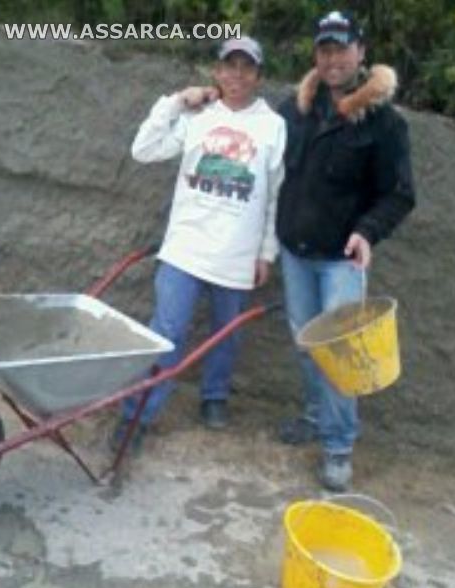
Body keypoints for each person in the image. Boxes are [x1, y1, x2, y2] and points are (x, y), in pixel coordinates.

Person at [110, 36, 286, 451]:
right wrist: (174, 103)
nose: (238, 75)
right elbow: (143, 150)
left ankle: (214, 397)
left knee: (226, 334)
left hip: (238, 254)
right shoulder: (198, 116)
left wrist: (266, 251)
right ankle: (137, 415)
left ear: (258, 76)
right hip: (184, 249)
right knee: (166, 333)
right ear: (217, 72)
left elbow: (276, 194)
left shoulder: (273, 127)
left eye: (247, 67)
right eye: (230, 66)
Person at [275, 11, 415, 490]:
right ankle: (315, 417)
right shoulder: (297, 107)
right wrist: (204, 97)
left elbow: (400, 193)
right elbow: (253, 134)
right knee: (305, 345)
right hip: (294, 251)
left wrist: (367, 232)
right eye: (325, 50)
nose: (333, 59)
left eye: (342, 49)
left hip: (340, 261)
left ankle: (338, 447)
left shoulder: (384, 122)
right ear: (317, 55)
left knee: (338, 354)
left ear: (360, 52)